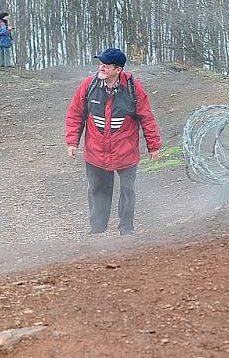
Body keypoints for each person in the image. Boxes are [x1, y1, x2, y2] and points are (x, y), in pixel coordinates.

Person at [65, 48, 162, 235]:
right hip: (95, 152)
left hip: (126, 152)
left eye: (105, 65)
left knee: (128, 190)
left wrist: (154, 146)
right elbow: (75, 114)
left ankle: (126, 229)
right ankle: (97, 230)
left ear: (118, 70)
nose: (100, 68)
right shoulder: (89, 85)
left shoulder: (133, 88)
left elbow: (147, 117)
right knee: (97, 190)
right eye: (100, 64)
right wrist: (72, 142)